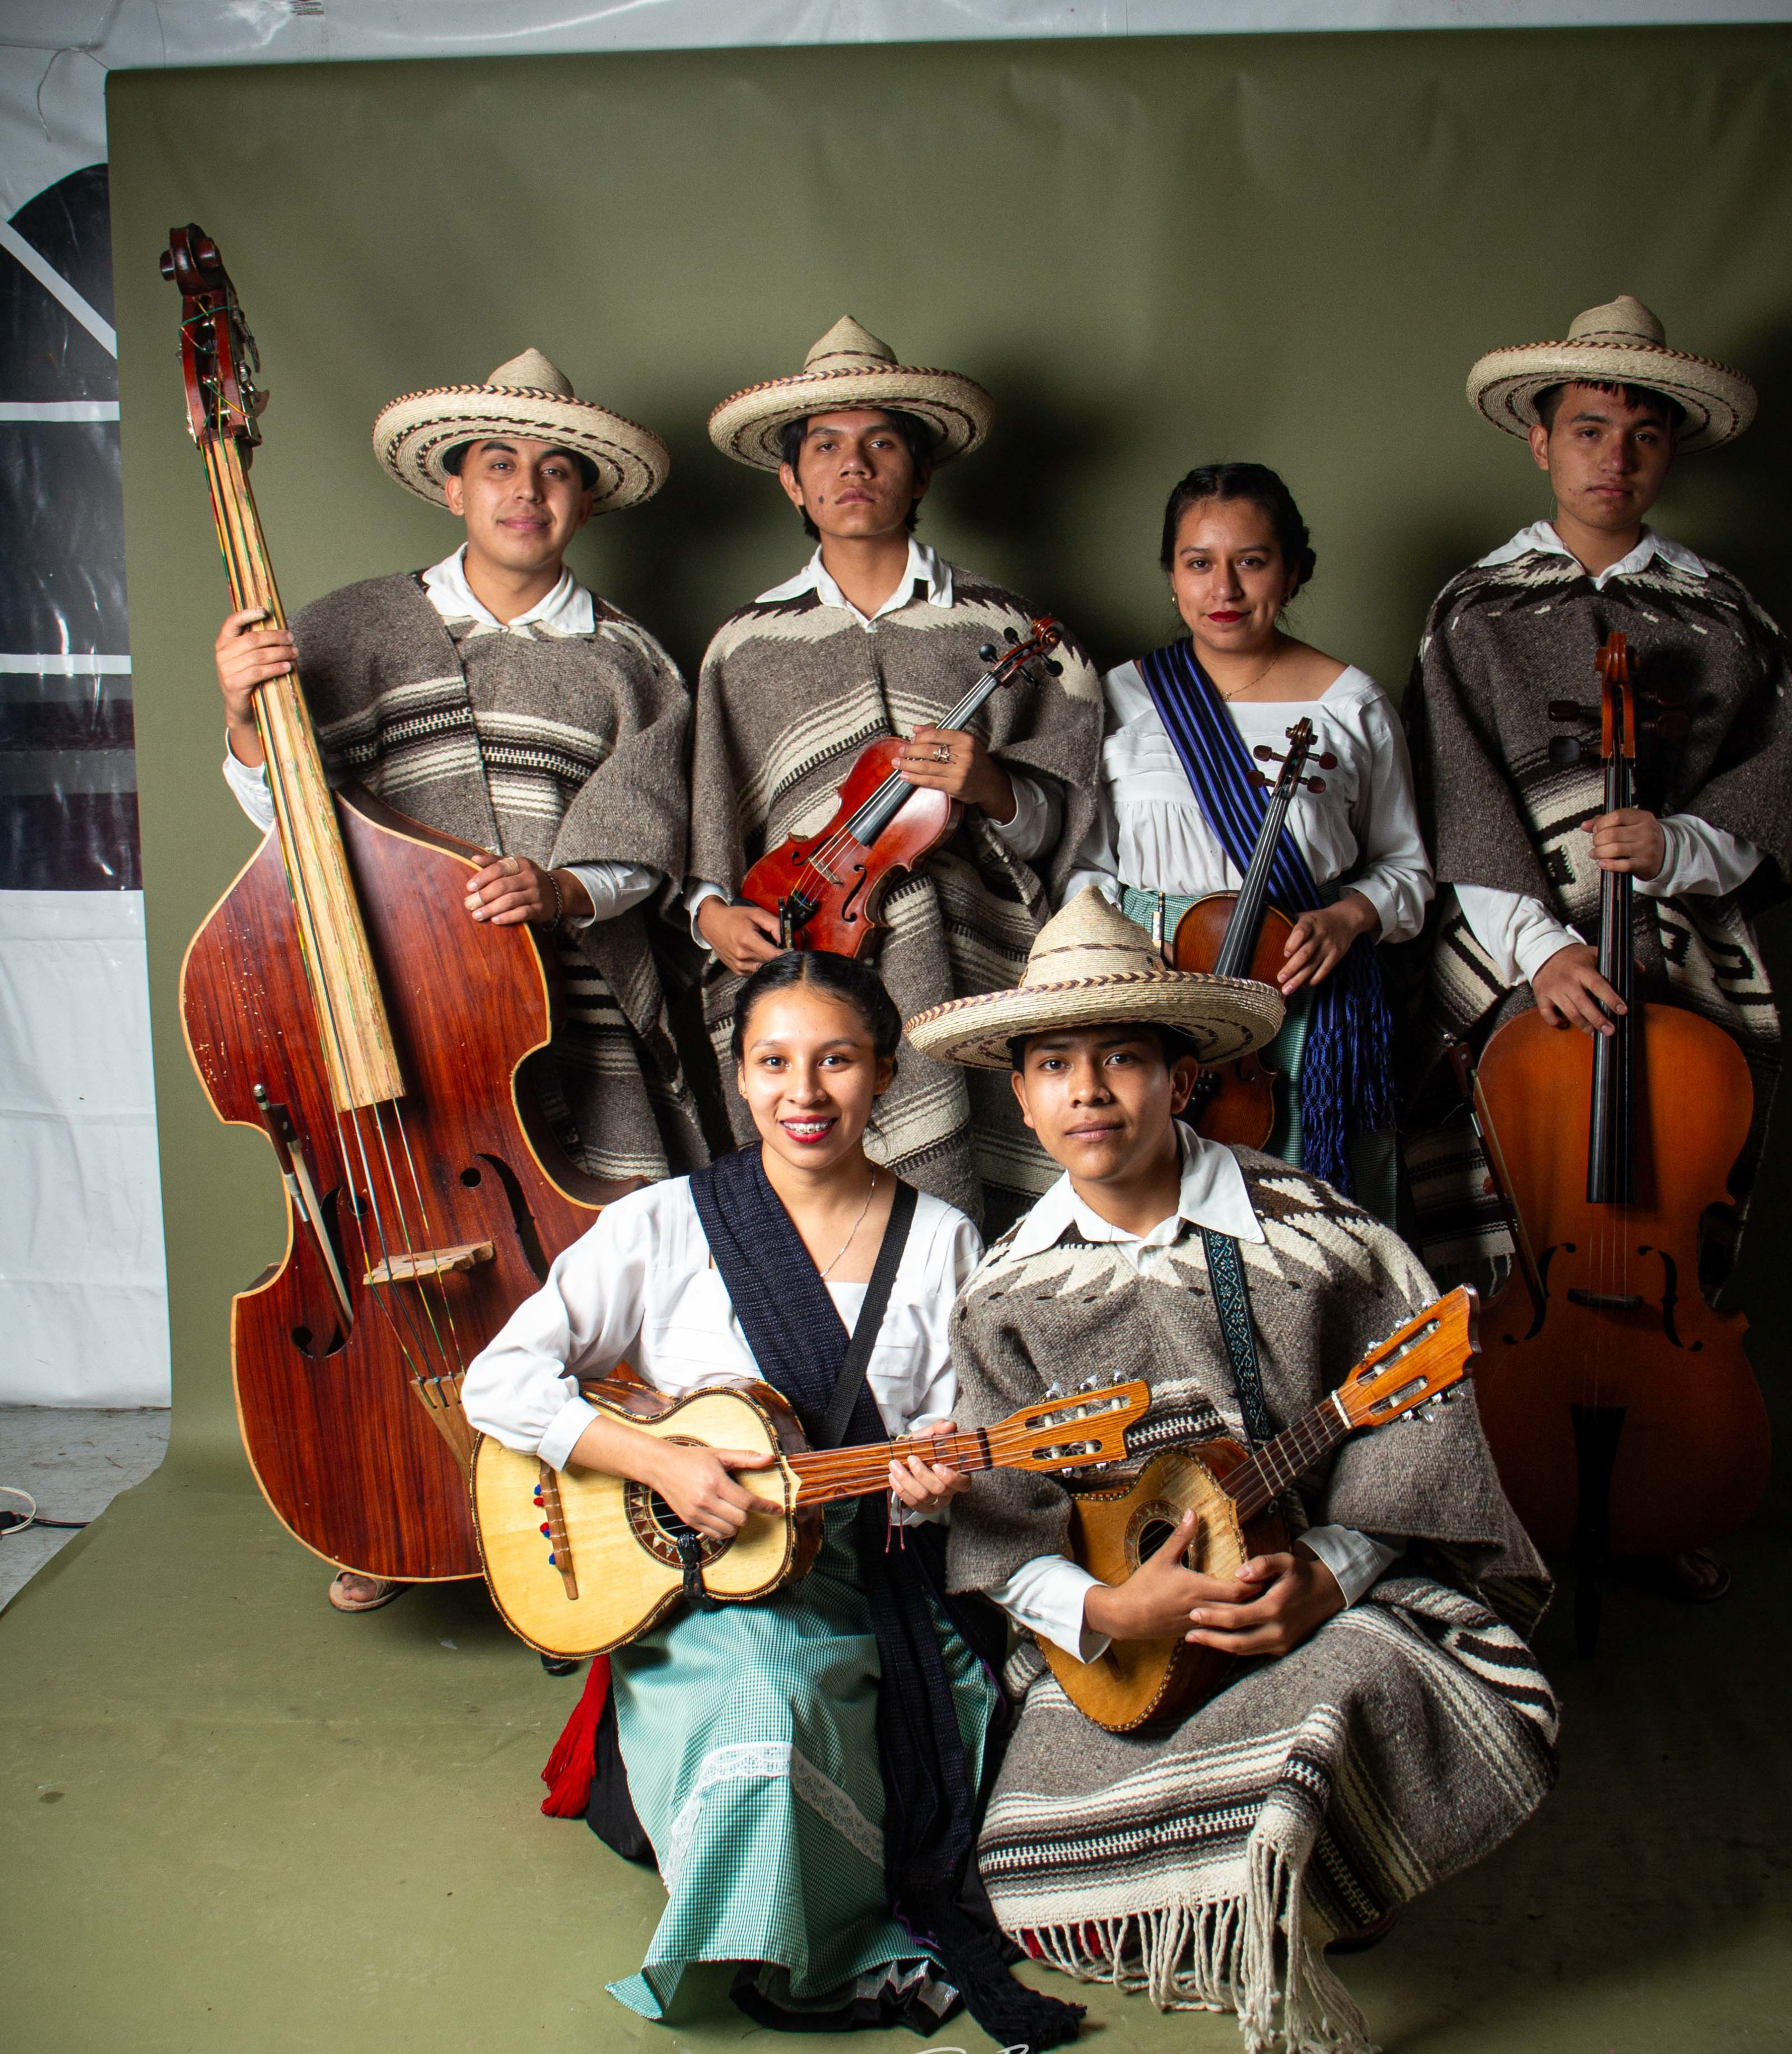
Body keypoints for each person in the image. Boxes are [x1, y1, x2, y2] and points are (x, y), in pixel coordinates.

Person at [905, 892, 1557, 2054]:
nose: (1089, 1090)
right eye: (1055, 1065)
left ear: (1183, 1077)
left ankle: (1309, 1842)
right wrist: (1107, 1613)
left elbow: (1421, 1439)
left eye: (1123, 1059)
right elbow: (1007, 1536)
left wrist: (1329, 1573)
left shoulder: (1316, 1234)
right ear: (1021, 1098)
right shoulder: (1004, 1293)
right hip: (1121, 1642)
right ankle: (1249, 1863)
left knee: (1344, 1700)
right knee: (1025, 1859)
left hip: (1309, 1601)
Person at [464, 951, 1082, 2049]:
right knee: (768, 1704)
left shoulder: (941, 1242)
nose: (806, 1092)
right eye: (775, 1062)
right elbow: (497, 1383)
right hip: (700, 1590)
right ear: (740, 1078)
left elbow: (944, 1453)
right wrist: (655, 1465)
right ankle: (803, 1953)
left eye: (837, 1060)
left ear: (885, 1074)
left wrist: (928, 1483)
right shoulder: (663, 1223)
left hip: (869, 1567)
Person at [214, 348, 706, 1610]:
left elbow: (655, 849)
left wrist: (560, 888)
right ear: (453, 487)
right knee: (392, 1237)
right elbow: (286, 825)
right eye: (497, 466)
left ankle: (603, 1508)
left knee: (608, 1253)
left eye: (554, 472)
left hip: (567, 1014)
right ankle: (385, 1499)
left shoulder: (634, 664)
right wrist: (242, 723)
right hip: (385, 1008)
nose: (524, 492)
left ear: (585, 501)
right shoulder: (345, 629)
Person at [1403, 296, 1792, 1601]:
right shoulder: (1476, 612)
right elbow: (1456, 789)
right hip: (1513, 939)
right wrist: (1535, 951)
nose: (1612, 458)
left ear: (1669, 454)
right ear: (1541, 443)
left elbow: (1770, 783)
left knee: (1680, 1184)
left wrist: (1679, 849)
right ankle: (1503, 1475)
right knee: (1501, 1200)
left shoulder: (1722, 613)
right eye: (1587, 430)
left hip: (1677, 936)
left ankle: (1669, 1473)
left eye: (1640, 437)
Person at [687, 317, 1103, 1227]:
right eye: (826, 448)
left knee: (982, 1218)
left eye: (882, 445)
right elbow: (713, 826)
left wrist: (994, 787)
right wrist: (713, 911)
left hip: (976, 957)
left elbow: (1080, 834)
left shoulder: (1006, 625)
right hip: (811, 954)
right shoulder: (744, 648)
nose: (855, 467)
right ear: (792, 479)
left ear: (922, 470)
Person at [1067, 461, 1431, 1219]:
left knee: (1310, 1225)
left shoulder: (1352, 702)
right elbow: (1084, 866)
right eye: (1199, 563)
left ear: (1294, 573)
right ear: (1171, 574)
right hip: (1153, 1002)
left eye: (1252, 562)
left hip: (1303, 1004)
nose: (1223, 590)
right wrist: (1120, 953)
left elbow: (1408, 868)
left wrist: (1351, 917)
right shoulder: (1119, 696)